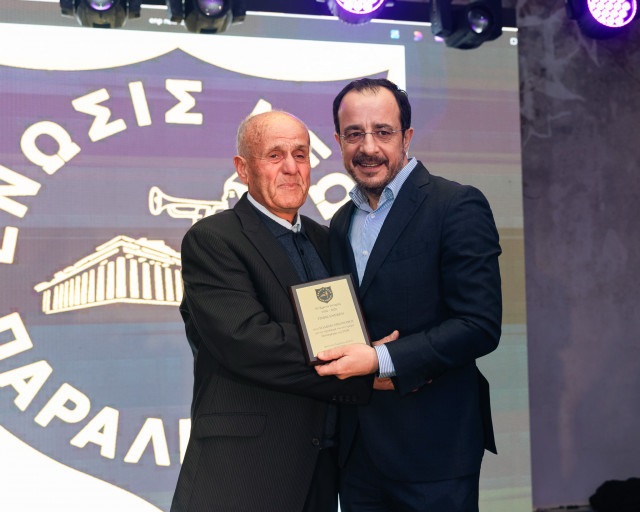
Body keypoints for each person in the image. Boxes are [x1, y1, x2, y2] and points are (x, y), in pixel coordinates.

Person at [170, 110, 380, 512]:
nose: (291, 168)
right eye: (274, 155)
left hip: (320, 469)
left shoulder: (327, 240)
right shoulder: (213, 239)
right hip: (243, 472)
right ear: (242, 168)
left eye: (300, 155)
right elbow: (248, 341)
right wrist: (366, 369)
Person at [315, 78, 503, 512]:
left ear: (407, 137)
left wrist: (380, 360)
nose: (368, 147)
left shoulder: (455, 205)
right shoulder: (340, 222)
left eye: (383, 132)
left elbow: (479, 325)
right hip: (358, 453)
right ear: (338, 142)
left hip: (434, 449)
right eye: (354, 134)